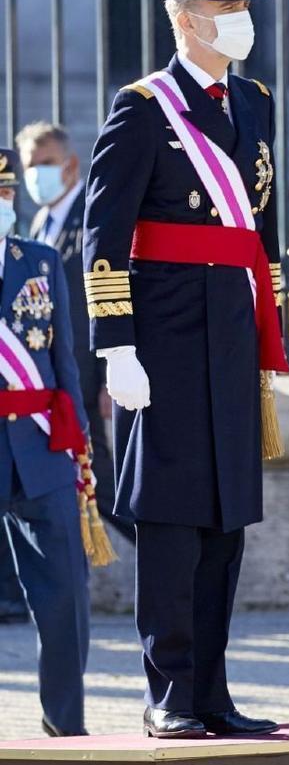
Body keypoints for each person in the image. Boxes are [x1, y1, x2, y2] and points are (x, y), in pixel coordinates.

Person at [83, 0, 288, 740]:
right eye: (226, 8)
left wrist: (270, 328)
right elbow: (101, 236)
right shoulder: (142, 107)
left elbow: (257, 229)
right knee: (171, 523)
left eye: (244, 6)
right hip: (163, 343)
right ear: (185, 18)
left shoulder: (255, 101)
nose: (243, 19)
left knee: (224, 524)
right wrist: (116, 346)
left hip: (231, 338)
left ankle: (211, 689)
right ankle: (167, 690)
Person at [0, 147, 91, 736]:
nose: (3, 203)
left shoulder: (37, 261)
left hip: (41, 448)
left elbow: (63, 363)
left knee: (66, 600)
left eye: (6, 193)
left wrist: (78, 443)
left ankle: (67, 728)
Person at [16, 122, 135, 547]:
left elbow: (113, 290)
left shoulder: (92, 214)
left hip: (88, 372)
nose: (36, 176)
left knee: (99, 478)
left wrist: (110, 370)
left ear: (70, 165)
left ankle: (164, 557)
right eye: (30, 166)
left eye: (45, 164)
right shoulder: (41, 223)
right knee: (85, 479)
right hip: (55, 380)